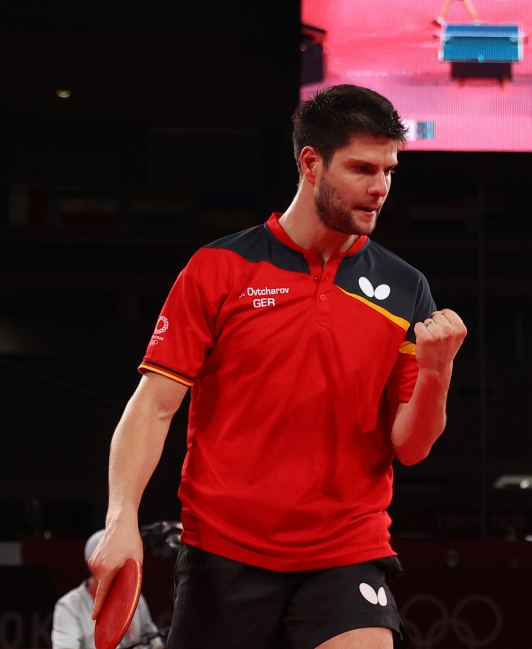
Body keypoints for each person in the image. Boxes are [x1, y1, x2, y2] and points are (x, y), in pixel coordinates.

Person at [89, 84, 467, 649]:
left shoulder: (406, 288)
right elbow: (154, 406)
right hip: (224, 552)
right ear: (310, 163)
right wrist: (122, 517)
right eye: (362, 168)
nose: (380, 188)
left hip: (346, 550)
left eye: (389, 170)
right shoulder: (220, 269)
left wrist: (437, 373)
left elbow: (410, 446)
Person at [52, 530, 162, 649]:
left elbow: (153, 638)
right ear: (93, 566)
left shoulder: (134, 596)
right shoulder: (69, 607)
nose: (122, 568)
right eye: (115, 562)